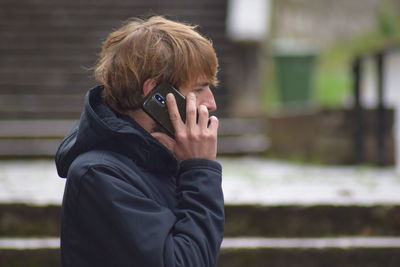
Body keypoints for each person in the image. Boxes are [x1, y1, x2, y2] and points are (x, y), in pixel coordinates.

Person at [55, 16, 224, 267]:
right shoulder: (100, 175)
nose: (211, 103)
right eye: (199, 88)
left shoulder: (164, 155)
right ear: (156, 92)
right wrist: (199, 169)